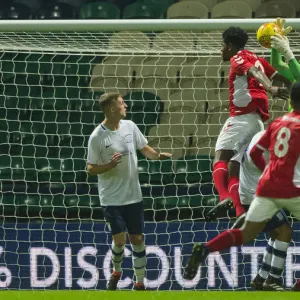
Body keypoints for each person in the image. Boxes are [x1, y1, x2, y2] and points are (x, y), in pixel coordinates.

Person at [184, 81, 300, 291]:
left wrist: (268, 171)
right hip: (291, 190)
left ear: (290, 101)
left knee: (248, 233)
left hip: (265, 190)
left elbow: (255, 153)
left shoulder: (277, 123)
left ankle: (206, 249)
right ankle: (275, 280)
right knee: (284, 232)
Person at [87, 92, 172, 291]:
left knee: (138, 239)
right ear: (111, 109)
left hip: (133, 195)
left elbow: (145, 148)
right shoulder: (97, 137)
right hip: (111, 197)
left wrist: (159, 156)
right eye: (121, 103)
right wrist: (109, 165)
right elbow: (90, 168)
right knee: (119, 241)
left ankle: (139, 283)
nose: (125, 105)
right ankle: (116, 271)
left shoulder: (130, 126)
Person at [206, 26, 290, 225]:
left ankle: (223, 197)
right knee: (235, 167)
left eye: (222, 46)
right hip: (257, 123)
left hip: (241, 118)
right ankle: (239, 212)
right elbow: (276, 73)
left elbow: (253, 72)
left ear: (229, 45)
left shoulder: (239, 58)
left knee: (220, 158)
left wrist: (270, 88)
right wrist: (293, 86)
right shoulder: (257, 57)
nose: (221, 51)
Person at [235, 131, 292, 291]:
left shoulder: (261, 138)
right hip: (257, 197)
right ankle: (273, 280)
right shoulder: (266, 156)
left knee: (276, 234)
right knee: (285, 232)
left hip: (250, 194)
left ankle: (260, 279)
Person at [270, 18, 297, 113]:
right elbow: (277, 65)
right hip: (293, 123)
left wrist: (286, 51)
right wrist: (277, 42)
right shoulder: (296, 73)